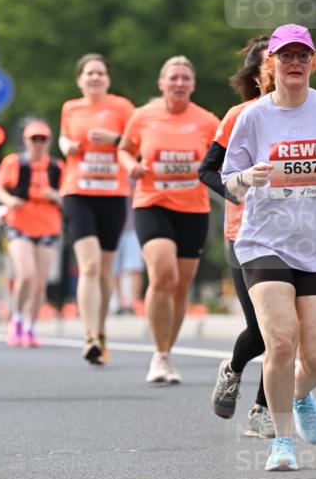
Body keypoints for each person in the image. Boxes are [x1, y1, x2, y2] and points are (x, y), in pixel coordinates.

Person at [222, 24, 316, 472]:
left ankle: (301, 392)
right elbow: (228, 181)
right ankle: (282, 442)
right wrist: (250, 177)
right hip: (265, 242)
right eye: (285, 56)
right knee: (281, 343)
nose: (294, 63)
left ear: (313, 62)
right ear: (271, 65)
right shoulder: (253, 116)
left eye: (302, 56)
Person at [118, 55, 219, 383]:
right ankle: (159, 355)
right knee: (163, 274)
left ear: (192, 85)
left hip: (193, 209)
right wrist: (129, 165)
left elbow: (223, 158)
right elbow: (123, 149)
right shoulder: (143, 116)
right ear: (161, 83)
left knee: (180, 286)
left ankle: (167, 351)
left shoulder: (206, 121)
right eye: (172, 78)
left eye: (184, 78)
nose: (178, 83)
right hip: (152, 203)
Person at [198, 36, 274, 438]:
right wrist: (238, 189)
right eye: (271, 63)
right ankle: (233, 370)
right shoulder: (239, 116)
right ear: (257, 76)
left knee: (285, 329)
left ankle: (262, 409)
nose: (281, 69)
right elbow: (207, 170)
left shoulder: (312, 115)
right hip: (244, 233)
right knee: (262, 331)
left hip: (294, 235)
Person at [59, 54, 135, 364]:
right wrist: (66, 147)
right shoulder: (70, 108)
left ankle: (101, 331)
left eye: (100, 73)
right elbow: (64, 137)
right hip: (78, 191)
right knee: (88, 266)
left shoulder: (122, 107)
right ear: (80, 79)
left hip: (113, 193)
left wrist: (114, 139)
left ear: (108, 79)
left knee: (105, 269)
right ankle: (88, 334)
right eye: (89, 73)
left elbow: (136, 143)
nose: (94, 78)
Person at [0, 119, 63, 347]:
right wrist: (10, 200)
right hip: (20, 223)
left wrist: (55, 196)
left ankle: (31, 327)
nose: (38, 143)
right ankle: (16, 318)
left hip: (47, 225)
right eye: (34, 139)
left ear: (48, 141)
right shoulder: (14, 163)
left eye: (42, 139)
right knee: (26, 274)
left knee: (40, 282)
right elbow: (0, 188)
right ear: (26, 140)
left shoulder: (56, 167)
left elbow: (69, 199)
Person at [113, 195, 145, 315]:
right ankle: (119, 303)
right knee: (114, 268)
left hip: (133, 227)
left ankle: (133, 303)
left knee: (135, 267)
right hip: (114, 227)